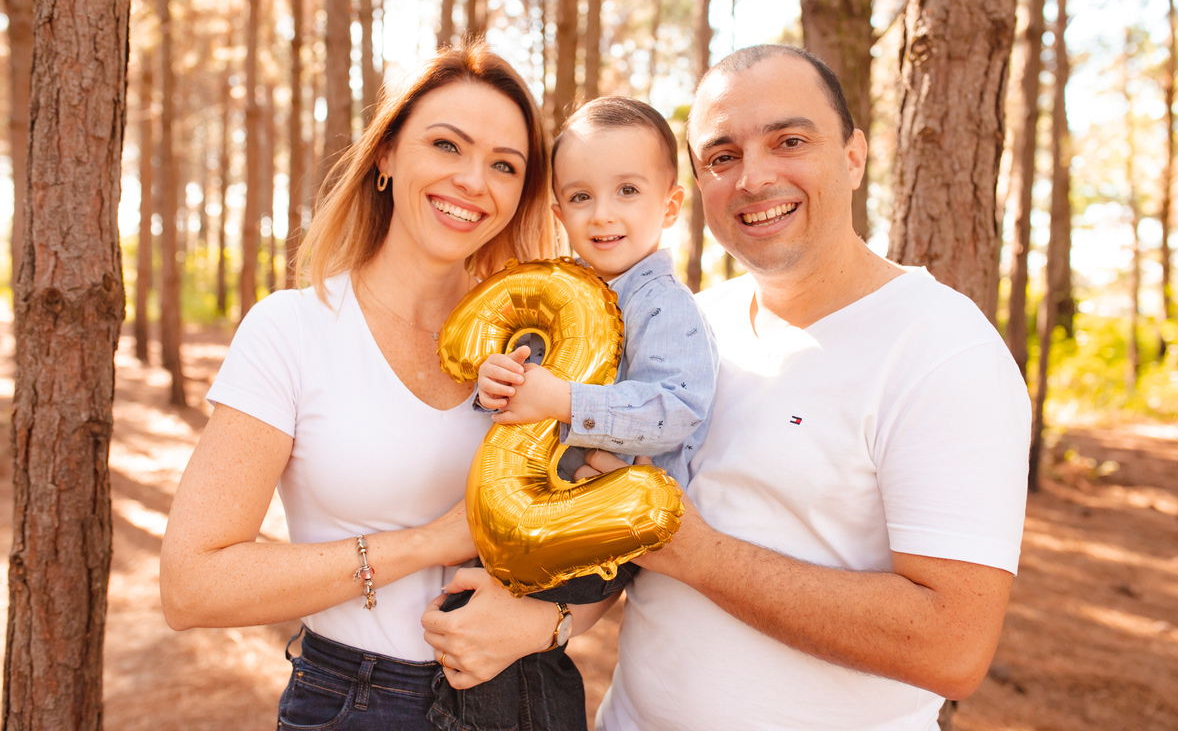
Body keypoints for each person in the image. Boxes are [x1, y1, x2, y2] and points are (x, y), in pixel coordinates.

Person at [159, 42, 614, 730]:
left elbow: (612, 534)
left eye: (504, 166)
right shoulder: (294, 330)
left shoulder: (540, 345)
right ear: (387, 155)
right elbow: (192, 586)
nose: (472, 181)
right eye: (445, 145)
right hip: (360, 702)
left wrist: (547, 624)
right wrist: (430, 543)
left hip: (525, 700)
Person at [587, 44, 1032, 730]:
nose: (753, 178)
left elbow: (953, 645)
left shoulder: (942, 348)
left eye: (789, 141)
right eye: (722, 157)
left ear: (853, 157)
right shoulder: (695, 326)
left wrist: (700, 556)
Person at [429, 97, 720, 730]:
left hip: (596, 524)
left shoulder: (663, 308)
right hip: (536, 506)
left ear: (669, 206)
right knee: (474, 629)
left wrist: (564, 400)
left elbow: (677, 409)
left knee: (509, 658)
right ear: (559, 211)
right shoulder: (567, 296)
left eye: (627, 191)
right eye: (582, 197)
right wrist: (496, 381)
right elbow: (515, 403)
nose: (604, 213)